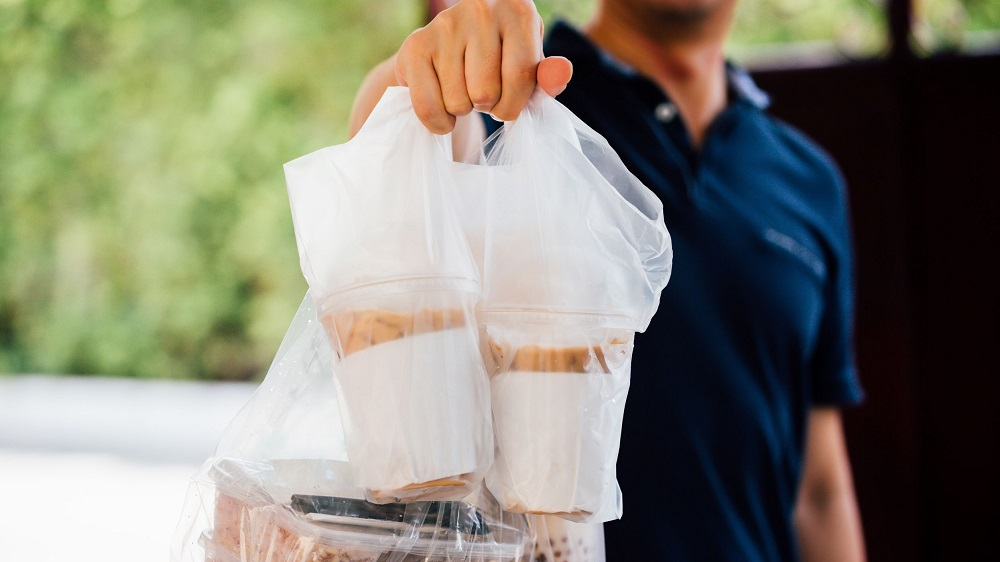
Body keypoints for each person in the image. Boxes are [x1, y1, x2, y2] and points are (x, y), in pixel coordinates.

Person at [348, 1, 867, 559]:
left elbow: (818, 488)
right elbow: (411, 157)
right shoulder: (519, 99)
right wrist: (422, 71)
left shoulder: (809, 181)